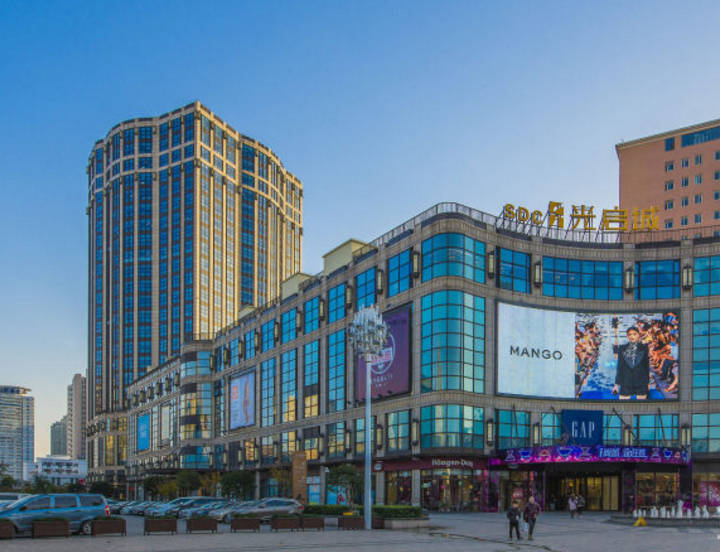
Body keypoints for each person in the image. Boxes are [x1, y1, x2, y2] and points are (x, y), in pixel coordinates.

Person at [612, 326, 650, 400]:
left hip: (641, 382)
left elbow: (646, 366)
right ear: (627, 336)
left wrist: (648, 383)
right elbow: (619, 367)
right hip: (626, 381)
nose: (632, 336)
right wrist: (616, 385)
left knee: (641, 406)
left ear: (638, 335)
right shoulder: (622, 348)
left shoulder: (644, 348)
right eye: (630, 334)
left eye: (634, 334)